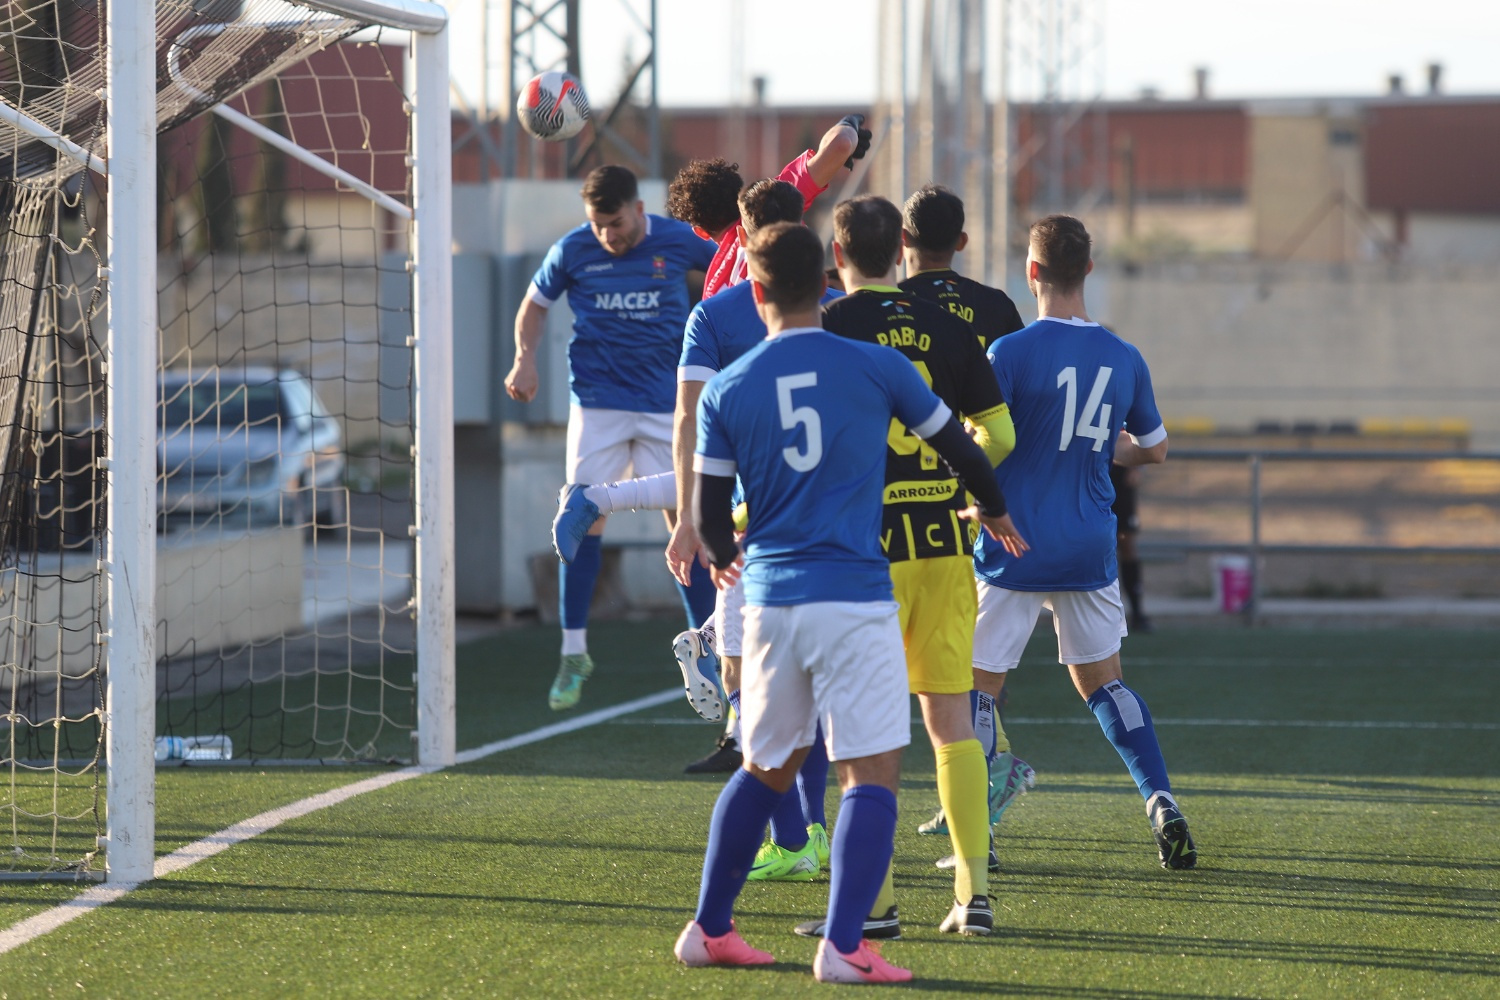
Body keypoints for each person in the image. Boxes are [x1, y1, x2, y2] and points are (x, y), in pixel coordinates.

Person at [672, 221, 1025, 983]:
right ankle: (844, 945)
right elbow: (967, 448)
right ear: (826, 279)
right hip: (857, 592)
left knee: (765, 765)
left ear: (757, 290)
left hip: (770, 600)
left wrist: (729, 561)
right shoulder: (874, 367)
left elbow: (703, 516)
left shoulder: (730, 385)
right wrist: (992, 509)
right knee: (871, 772)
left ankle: (708, 927)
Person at [553, 180, 843, 875]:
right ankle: (831, 853)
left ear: (741, 240)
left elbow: (694, 434)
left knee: (753, 700)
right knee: (836, 708)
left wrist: (683, 520)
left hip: (760, 543)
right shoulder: (848, 318)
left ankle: (790, 851)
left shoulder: (716, 316)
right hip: (848, 541)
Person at [816, 194, 1019, 936]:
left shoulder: (829, 328)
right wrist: (964, 488)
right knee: (951, 724)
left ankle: (872, 909)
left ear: (839, 255)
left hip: (860, 557)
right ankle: (974, 894)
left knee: (862, 740)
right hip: (939, 546)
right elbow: (997, 434)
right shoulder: (948, 326)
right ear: (897, 246)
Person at [972, 214, 1197, 870]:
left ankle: (975, 829)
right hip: (1089, 544)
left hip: (1014, 543)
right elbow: (1155, 450)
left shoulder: (1008, 353)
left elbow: (989, 441)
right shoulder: (1124, 357)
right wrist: (1103, 446)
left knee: (976, 693)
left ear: (1031, 271)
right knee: (1105, 685)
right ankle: (1159, 799)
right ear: (1089, 271)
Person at [504, 165, 718, 712]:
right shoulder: (573, 249)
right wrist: (524, 359)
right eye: (598, 225)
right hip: (597, 404)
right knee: (580, 516)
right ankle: (574, 651)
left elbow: (729, 267)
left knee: (683, 521)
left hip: (665, 408)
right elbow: (534, 306)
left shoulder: (677, 239)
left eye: (616, 223)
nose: (608, 235)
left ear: (639, 209)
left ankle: (708, 649)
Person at [896, 184, 1037, 847]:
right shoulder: (995, 306)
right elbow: (1012, 410)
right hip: (982, 495)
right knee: (953, 665)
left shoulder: (885, 311)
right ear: (963, 241)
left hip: (909, 500)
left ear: (904, 241)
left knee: (936, 670)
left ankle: (986, 779)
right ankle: (977, 783)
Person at [1110, 463, 1153, 631]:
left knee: (1126, 542)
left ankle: (1136, 611)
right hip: (1092, 471)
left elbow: (1140, 438)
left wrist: (1137, 466)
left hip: (1119, 471)